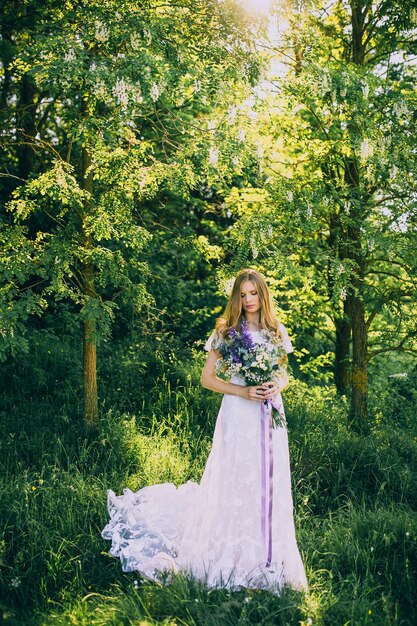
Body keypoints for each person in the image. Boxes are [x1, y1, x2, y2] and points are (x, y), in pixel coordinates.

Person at [102, 268, 308, 593]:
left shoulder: (275, 330)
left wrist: (274, 384)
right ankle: (229, 554)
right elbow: (207, 379)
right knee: (236, 479)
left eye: (254, 293)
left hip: (270, 414)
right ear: (236, 298)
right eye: (243, 294)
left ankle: (268, 557)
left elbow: (284, 373)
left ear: (263, 295)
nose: (249, 300)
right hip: (239, 413)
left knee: (267, 481)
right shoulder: (226, 332)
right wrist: (244, 391)